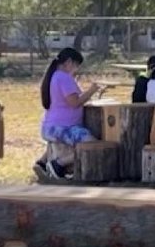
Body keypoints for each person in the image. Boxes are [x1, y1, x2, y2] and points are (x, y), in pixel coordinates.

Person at [33, 48, 107, 180]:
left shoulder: (54, 76)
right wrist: (92, 90)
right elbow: (75, 102)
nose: (77, 69)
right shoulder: (63, 77)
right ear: (69, 62)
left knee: (78, 139)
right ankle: (58, 164)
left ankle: (42, 162)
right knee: (94, 145)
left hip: (50, 126)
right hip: (64, 127)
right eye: (76, 65)